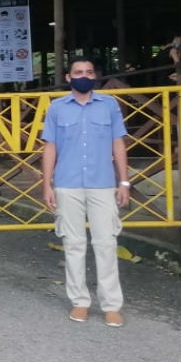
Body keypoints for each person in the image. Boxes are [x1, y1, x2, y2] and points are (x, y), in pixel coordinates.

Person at [40, 55, 131, 328]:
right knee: (74, 244)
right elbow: (50, 147)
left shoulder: (109, 105)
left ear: (95, 76)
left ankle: (111, 305)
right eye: (78, 71)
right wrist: (47, 183)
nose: (83, 75)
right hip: (67, 184)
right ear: (68, 77)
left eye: (89, 72)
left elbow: (118, 143)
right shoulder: (57, 108)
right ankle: (79, 301)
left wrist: (124, 181)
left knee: (106, 243)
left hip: (102, 183)